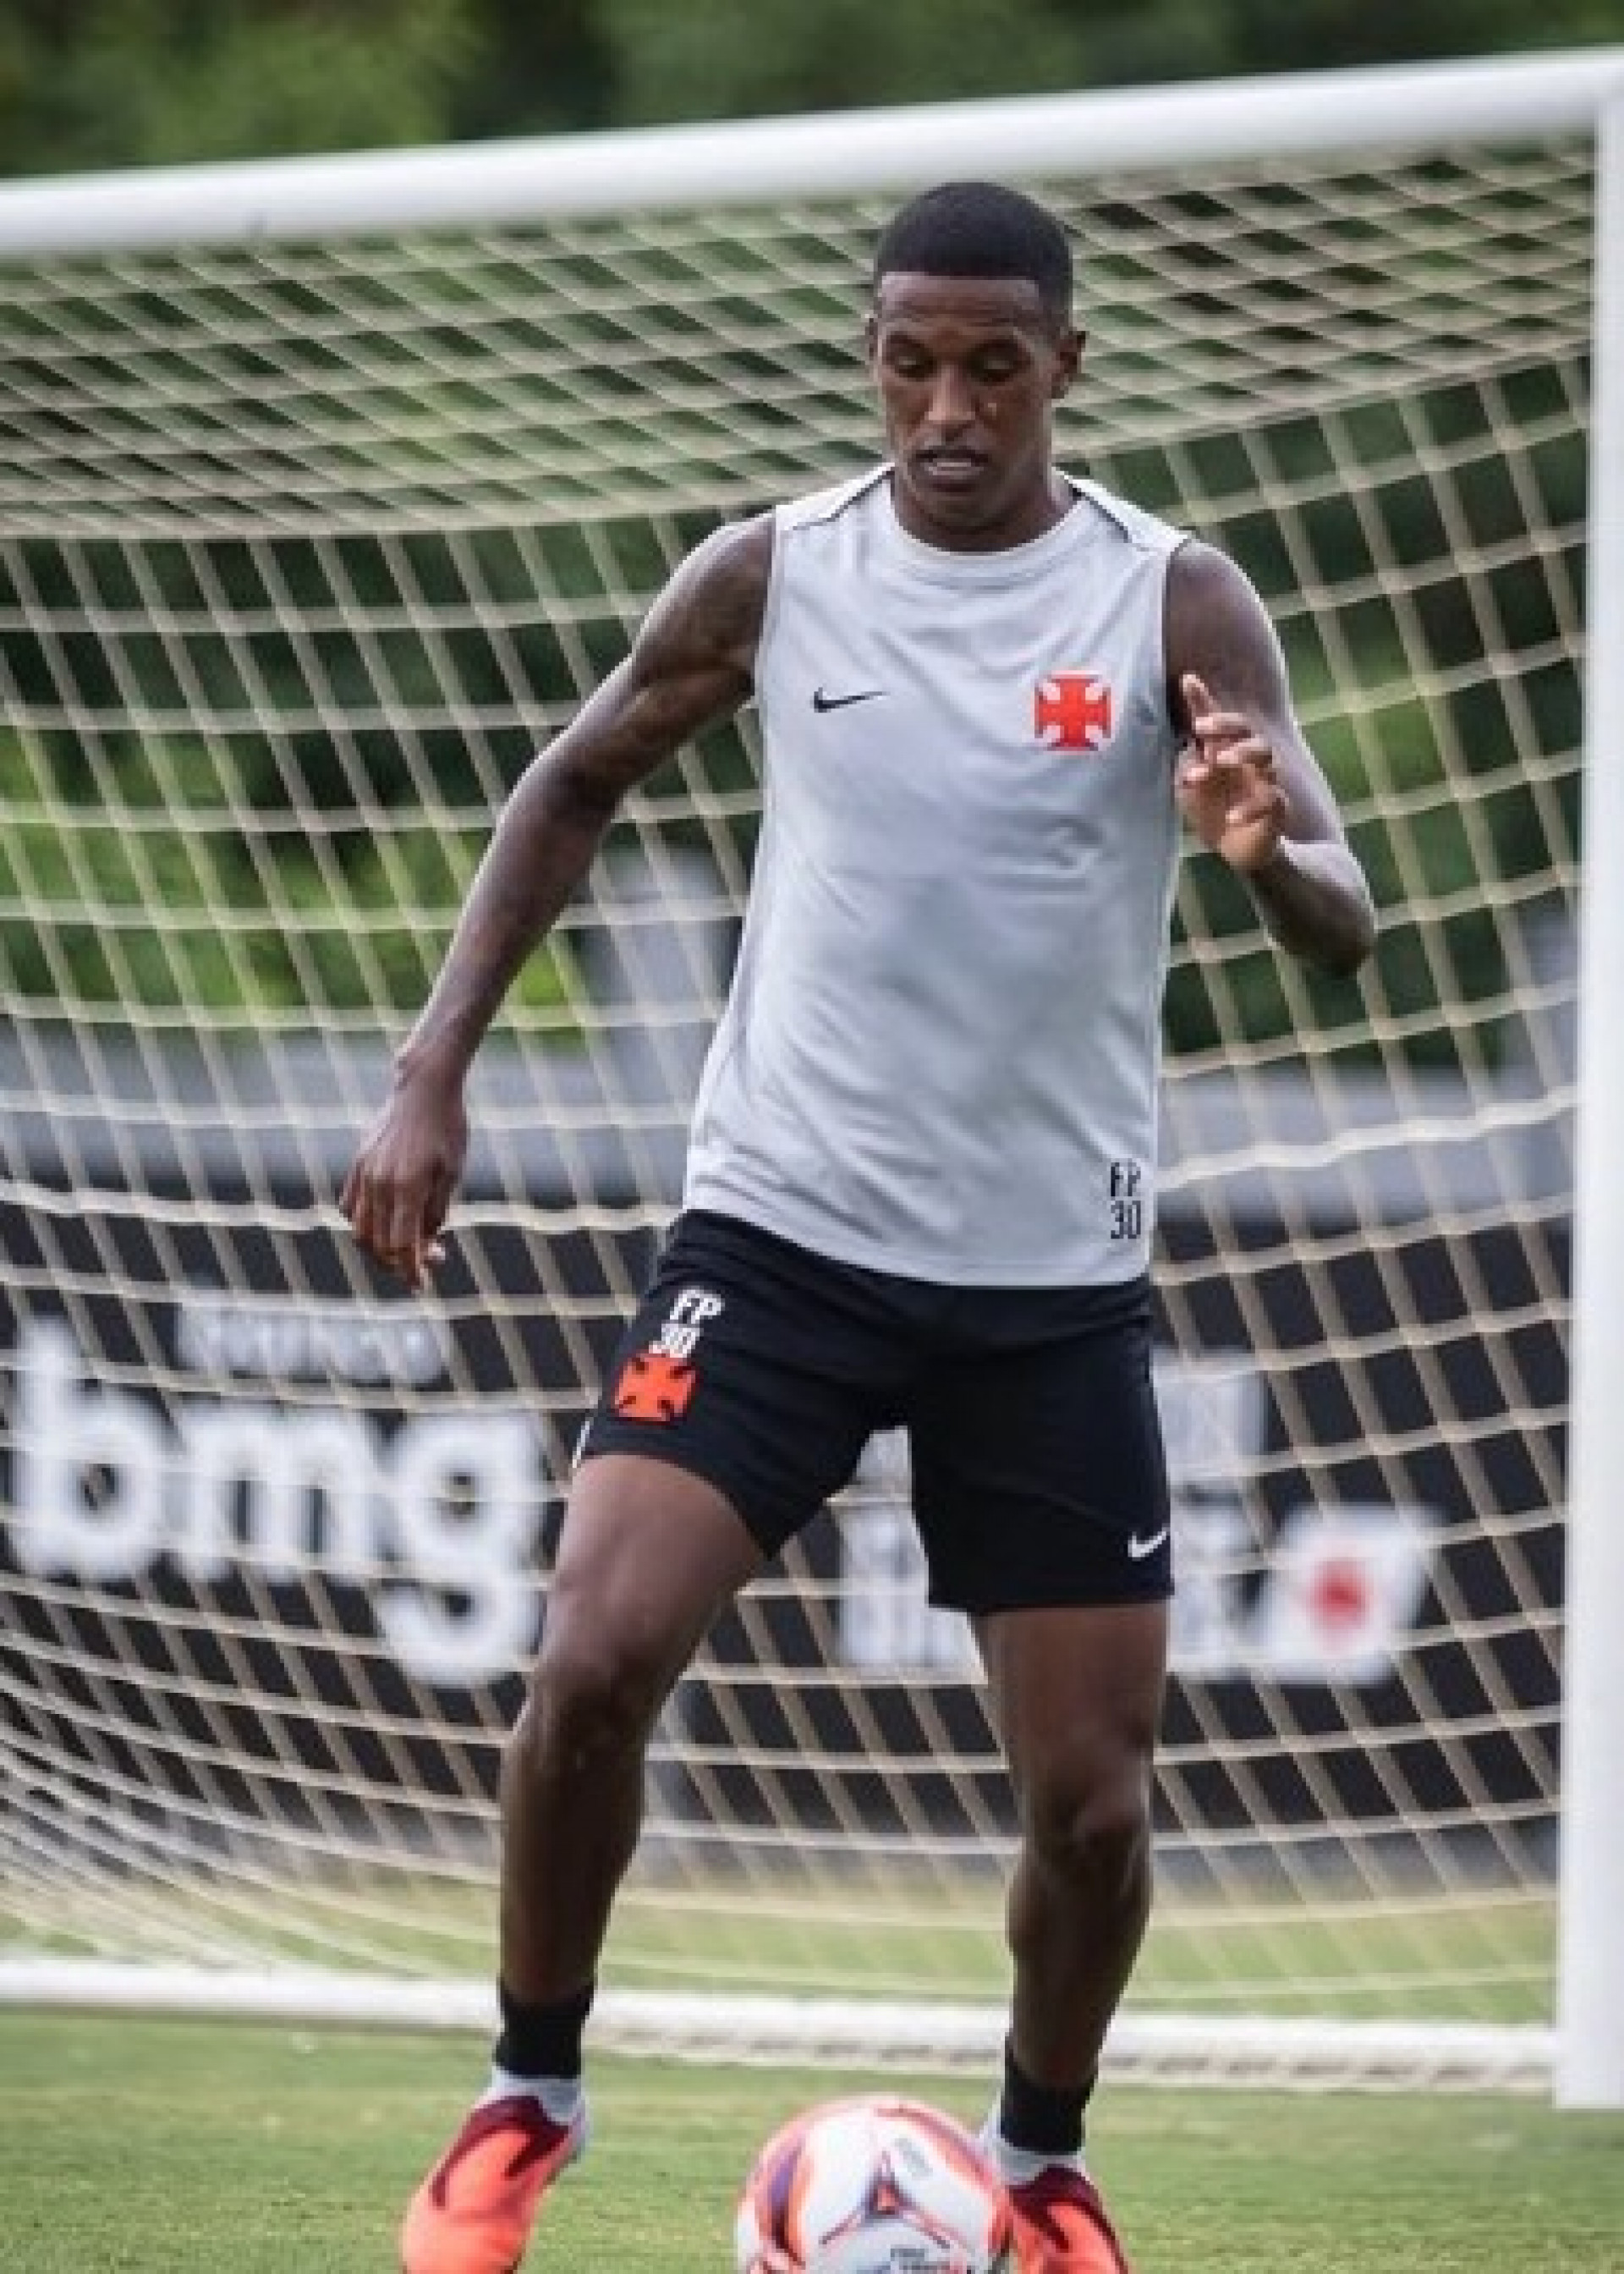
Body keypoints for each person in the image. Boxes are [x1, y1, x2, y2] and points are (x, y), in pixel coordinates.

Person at [341, 179, 1376, 2274]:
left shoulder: (1171, 599)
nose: (949, 409)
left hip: (1048, 1290)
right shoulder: (777, 572)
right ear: (873, 359)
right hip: (780, 1242)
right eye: (912, 363)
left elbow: (1345, 919)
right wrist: (432, 1068)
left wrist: (1264, 854)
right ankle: (525, 2100)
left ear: (1066, 366)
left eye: (994, 367)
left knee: (1093, 1807)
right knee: (589, 1661)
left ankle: (1041, 2168)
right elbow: (570, 781)